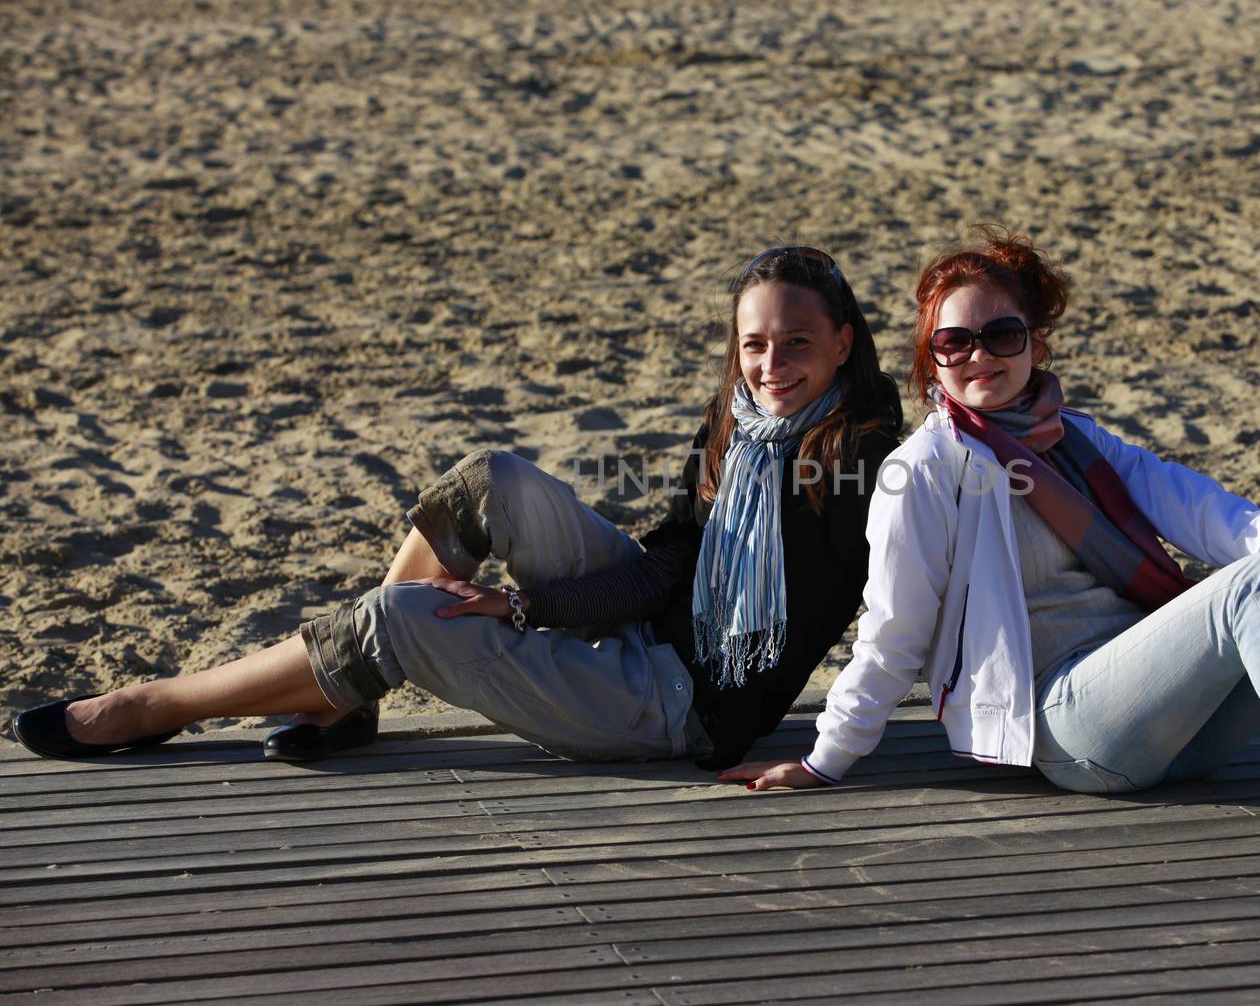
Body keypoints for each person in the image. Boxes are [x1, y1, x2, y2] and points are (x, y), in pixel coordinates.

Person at [722, 228, 1260, 863]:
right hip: (1068, 727)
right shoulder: (926, 470)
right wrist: (824, 759)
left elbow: (1200, 506)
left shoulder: (1079, 438)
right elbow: (891, 631)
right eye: (955, 341)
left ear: (1035, 343)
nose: (979, 355)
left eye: (1002, 334)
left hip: (1169, 714)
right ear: (931, 360)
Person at [13, 247, 903, 772]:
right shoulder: (738, 426)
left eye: (796, 343)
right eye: (755, 343)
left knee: (401, 615)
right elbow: (671, 560)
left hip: (678, 705)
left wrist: (830, 759)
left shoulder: (858, 457)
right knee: (491, 481)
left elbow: (897, 608)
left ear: (843, 342)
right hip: (652, 627)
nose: (771, 363)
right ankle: (347, 697)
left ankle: (154, 706)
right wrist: (536, 606)